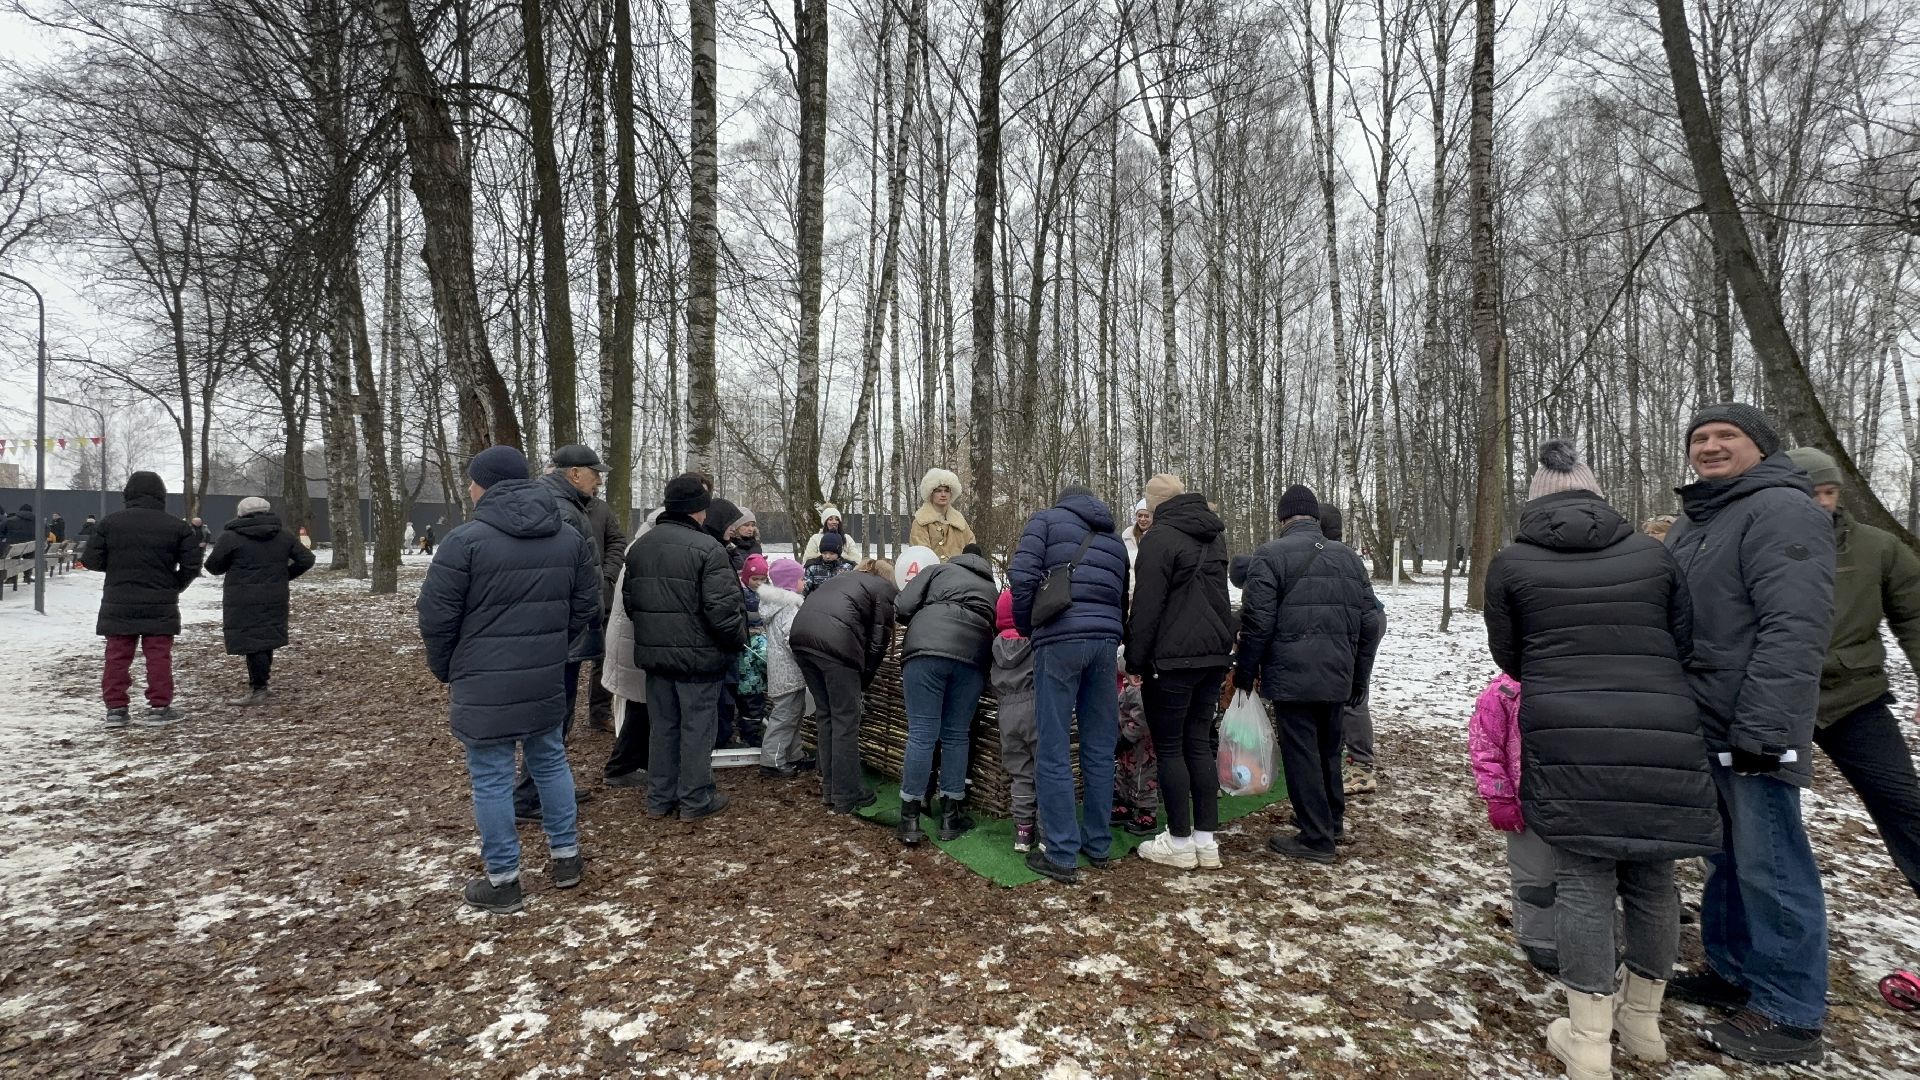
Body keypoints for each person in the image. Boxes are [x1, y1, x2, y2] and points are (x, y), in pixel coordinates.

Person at [1484, 440, 1721, 1079]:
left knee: (1582, 876)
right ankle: (1643, 1024)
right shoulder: (1653, 553)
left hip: (1569, 729)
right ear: (1597, 493)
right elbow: (1682, 637)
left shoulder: (1512, 563)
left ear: (1535, 500)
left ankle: (1588, 1039)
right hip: (1660, 725)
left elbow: (1510, 657)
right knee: (1653, 876)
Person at [1662, 404, 1835, 1065]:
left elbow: (1793, 629)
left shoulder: (1784, 513)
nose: (1710, 446)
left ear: (1761, 447)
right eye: (1700, 438)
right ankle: (1733, 970)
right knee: (1725, 855)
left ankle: (1791, 1010)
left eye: (1725, 436)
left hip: (1754, 719)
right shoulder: (1699, 517)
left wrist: (1764, 727)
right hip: (1702, 715)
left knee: (1771, 861)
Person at [417, 445, 599, 914]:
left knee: (493, 777)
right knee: (550, 761)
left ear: (486, 484)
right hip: (543, 671)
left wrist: (447, 666)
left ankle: (503, 880)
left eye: (473, 482)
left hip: (484, 678)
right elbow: (585, 603)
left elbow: (436, 616)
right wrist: (553, 646)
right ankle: (566, 858)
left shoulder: (465, 540)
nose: (471, 489)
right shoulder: (567, 536)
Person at [1784, 447, 1920, 903]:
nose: (1822, 501)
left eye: (1829, 491)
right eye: (1810, 492)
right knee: (1761, 822)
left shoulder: (1877, 547)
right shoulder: (1760, 541)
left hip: (1854, 697)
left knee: (1904, 806)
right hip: (1776, 701)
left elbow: (1915, 617)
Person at [1234, 484, 1381, 865]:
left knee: (1301, 754)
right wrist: (1358, 678)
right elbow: (1370, 622)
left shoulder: (1270, 555)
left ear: (1283, 518)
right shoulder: (1348, 558)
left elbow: (1258, 622)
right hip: (1337, 673)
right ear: (1314, 517)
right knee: (1330, 750)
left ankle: (1316, 838)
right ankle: (1331, 822)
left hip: (1292, 674)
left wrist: (1245, 672)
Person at [1009, 485, 1130, 884]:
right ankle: (1097, 843)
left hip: (1059, 641)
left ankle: (1061, 851)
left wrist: (1029, 625)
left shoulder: (1043, 521)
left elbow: (1021, 575)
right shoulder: (1113, 538)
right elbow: (1121, 593)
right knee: (1099, 746)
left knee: (1054, 747)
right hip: (1105, 643)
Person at [623, 475, 749, 821]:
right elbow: (722, 612)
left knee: (663, 727)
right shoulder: (708, 550)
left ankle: (660, 797)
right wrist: (739, 641)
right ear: (700, 511)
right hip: (698, 658)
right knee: (697, 728)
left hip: (655, 657)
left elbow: (631, 603)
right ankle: (695, 798)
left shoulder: (640, 548)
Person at [1125, 484, 1233, 871]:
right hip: (1214, 654)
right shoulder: (1215, 536)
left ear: (1155, 504)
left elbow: (1147, 608)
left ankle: (1180, 841)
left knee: (1170, 748)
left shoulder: (1159, 539)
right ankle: (1206, 841)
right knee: (1199, 746)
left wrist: (1135, 661)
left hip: (1171, 661)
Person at [893, 547, 999, 844]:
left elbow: (902, 605)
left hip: (926, 650)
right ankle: (950, 817)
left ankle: (910, 819)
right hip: (972, 657)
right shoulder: (992, 589)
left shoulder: (938, 570)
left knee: (922, 734)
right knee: (956, 735)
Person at [83, 473, 201, 728]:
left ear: (128, 494)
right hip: (160, 600)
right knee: (158, 655)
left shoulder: (108, 524)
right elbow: (192, 564)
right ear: (161, 495)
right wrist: (174, 585)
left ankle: (116, 708)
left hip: (118, 600)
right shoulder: (177, 527)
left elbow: (91, 560)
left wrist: (116, 570)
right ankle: (159, 707)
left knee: (117, 656)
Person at [791, 558, 898, 814]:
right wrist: (863, 681)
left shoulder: (841, 579)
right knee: (845, 721)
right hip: (836, 647)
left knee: (827, 715)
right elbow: (877, 642)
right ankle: (848, 793)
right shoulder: (883, 589)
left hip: (801, 639)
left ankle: (830, 787)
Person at [1468, 673, 1558, 974]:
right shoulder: (1504, 692)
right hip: (1525, 800)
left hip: (1571, 797)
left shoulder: (1573, 681)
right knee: (1534, 872)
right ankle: (1538, 937)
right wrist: (1499, 796)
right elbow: (1485, 747)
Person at [547, 445, 630, 735]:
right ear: (575, 473)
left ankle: (598, 713)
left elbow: (617, 542)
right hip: (568, 611)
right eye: (595, 474)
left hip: (598, 597)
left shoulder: (599, 509)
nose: (599, 481)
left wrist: (606, 577)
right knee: (563, 679)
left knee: (602, 657)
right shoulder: (560, 509)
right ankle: (553, 751)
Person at [202, 496, 315, 706]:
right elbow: (307, 559)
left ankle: (258, 689)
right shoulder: (282, 535)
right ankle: (261, 685)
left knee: (253, 641)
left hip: (242, 597)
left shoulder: (231, 537)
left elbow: (213, 567)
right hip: (274, 594)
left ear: (241, 513)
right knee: (265, 638)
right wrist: (284, 575)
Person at [1320, 504, 1387, 796]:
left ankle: (1361, 768)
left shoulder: (1332, 554)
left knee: (1353, 696)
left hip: (1362, 625)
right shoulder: (1334, 551)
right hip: (1357, 623)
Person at [757, 557, 813, 779]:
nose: (804, 581)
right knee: (784, 716)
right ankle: (772, 760)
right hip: (789, 671)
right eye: (801, 578)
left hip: (785, 670)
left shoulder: (779, 605)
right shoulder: (789, 607)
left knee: (794, 714)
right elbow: (793, 638)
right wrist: (807, 658)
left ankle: (792, 754)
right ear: (790, 582)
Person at [992, 589, 1039, 853]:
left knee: (1020, 773)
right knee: (1045, 770)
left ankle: (1023, 831)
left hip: (1006, 713)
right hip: (1035, 706)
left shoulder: (995, 646)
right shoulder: (1035, 643)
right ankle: (1046, 829)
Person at [1112, 666, 1157, 836]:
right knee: (1123, 773)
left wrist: (1128, 736)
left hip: (1141, 745)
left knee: (1142, 778)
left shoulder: (1140, 691)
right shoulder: (1128, 687)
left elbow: (1142, 719)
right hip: (1127, 743)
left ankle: (1148, 814)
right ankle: (1125, 805)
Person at [910, 468, 975, 559]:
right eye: (938, 491)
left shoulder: (960, 522)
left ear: (951, 494)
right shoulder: (921, 522)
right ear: (931, 494)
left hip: (960, 571)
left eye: (947, 491)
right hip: (933, 572)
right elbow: (922, 556)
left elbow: (972, 549)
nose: (943, 494)